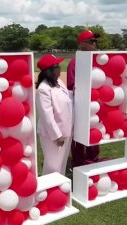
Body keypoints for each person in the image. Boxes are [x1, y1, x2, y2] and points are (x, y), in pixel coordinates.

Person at [67, 30, 102, 167]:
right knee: (80, 136)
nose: (94, 44)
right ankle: (79, 163)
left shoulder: (96, 60)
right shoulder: (75, 62)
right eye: (91, 41)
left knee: (94, 133)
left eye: (95, 41)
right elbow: (71, 86)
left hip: (95, 106)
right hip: (81, 107)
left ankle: (93, 160)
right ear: (81, 43)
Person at [36, 54, 73, 175]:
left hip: (66, 130)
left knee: (61, 163)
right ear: (49, 71)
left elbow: (68, 99)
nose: (60, 68)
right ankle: (48, 191)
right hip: (53, 135)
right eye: (57, 66)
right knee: (53, 166)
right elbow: (47, 115)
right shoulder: (43, 89)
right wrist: (57, 135)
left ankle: (60, 190)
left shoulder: (59, 82)